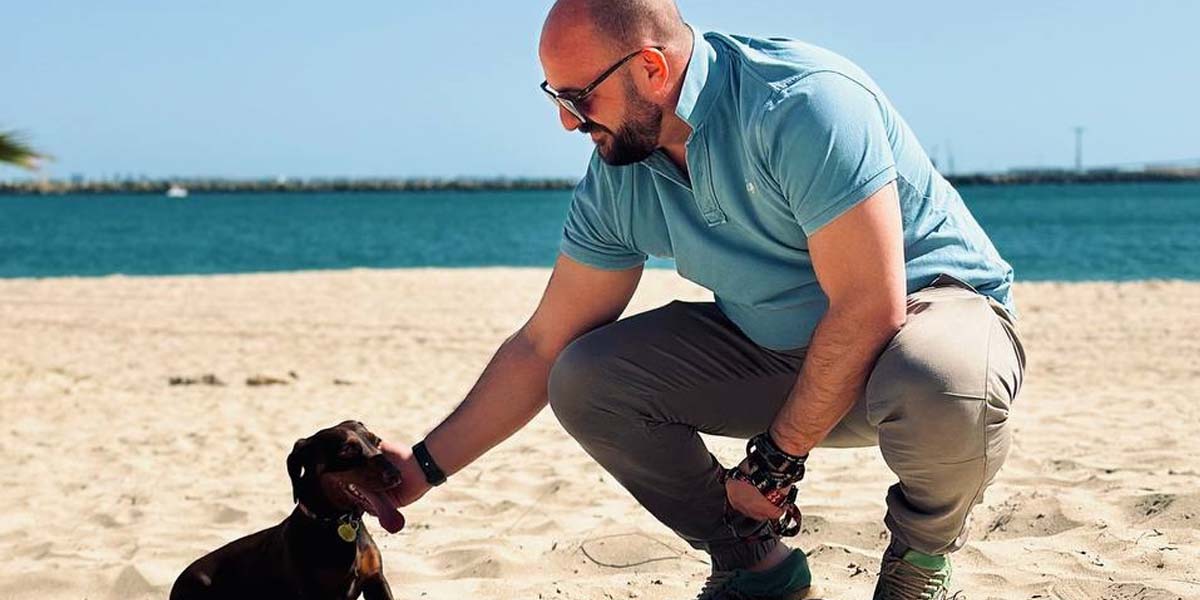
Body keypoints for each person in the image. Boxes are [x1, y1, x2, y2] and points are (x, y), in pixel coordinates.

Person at [380, 1, 1026, 598]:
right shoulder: (620, 173)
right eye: (555, 96)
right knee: (584, 376)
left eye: (578, 97)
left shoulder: (800, 102)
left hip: (920, 325)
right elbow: (542, 342)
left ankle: (920, 559)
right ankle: (754, 564)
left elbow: (868, 308)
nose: (565, 121)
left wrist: (777, 458)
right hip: (780, 353)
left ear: (652, 68)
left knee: (939, 378)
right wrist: (424, 467)